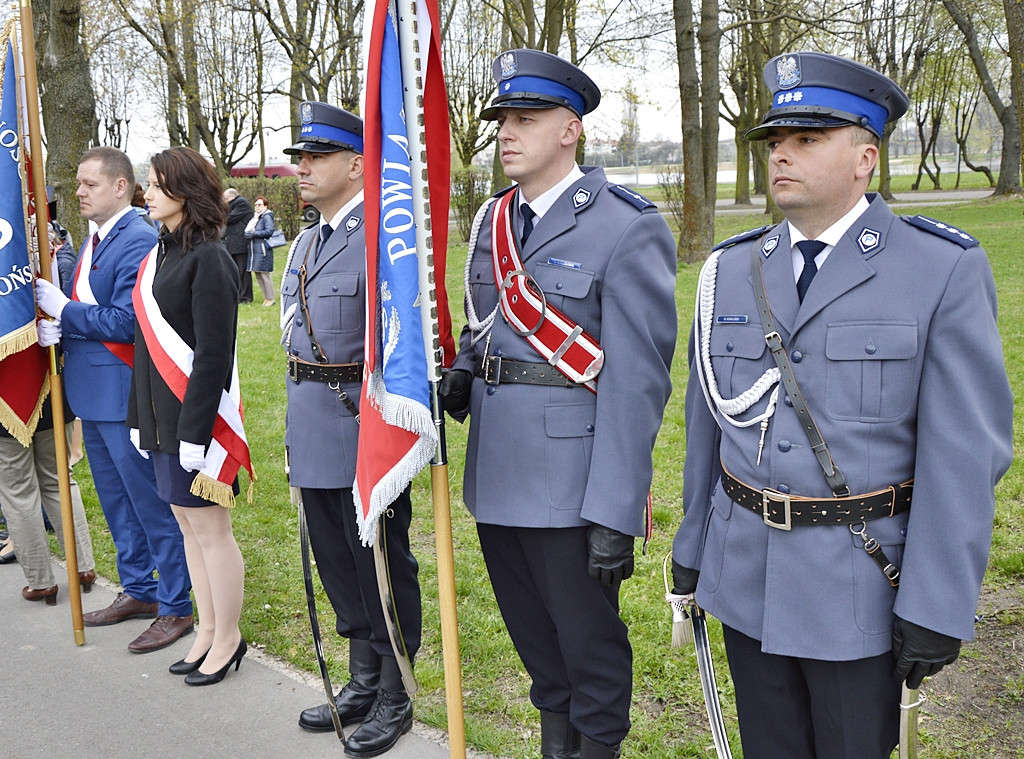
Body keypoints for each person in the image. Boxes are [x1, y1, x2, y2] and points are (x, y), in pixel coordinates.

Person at [670, 52, 1014, 759]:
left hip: (856, 589)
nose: (782, 155)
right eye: (775, 142)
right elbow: (709, 425)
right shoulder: (731, 271)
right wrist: (692, 552)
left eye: (807, 139)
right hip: (746, 576)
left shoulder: (939, 270)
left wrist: (936, 601)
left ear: (866, 156)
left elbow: (963, 455)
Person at [438, 50, 677, 759]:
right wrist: (459, 371)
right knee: (542, 657)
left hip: (572, 485)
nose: (507, 132)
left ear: (570, 128)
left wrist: (614, 507)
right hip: (499, 474)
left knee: (590, 656)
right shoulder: (492, 220)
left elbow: (637, 385)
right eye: (503, 119)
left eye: (526, 118)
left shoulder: (625, 225)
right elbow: (483, 323)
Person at [281, 101, 421, 757]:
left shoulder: (384, 241)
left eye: (315, 156)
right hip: (312, 422)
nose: (301, 168)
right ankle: (363, 676)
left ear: (356, 164)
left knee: (380, 565)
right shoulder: (308, 240)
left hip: (362, 427)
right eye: (299, 158)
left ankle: (396, 689)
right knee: (337, 561)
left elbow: (400, 344)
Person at [33, 146, 194, 654]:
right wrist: (58, 325)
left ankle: (175, 604)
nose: (78, 192)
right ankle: (140, 590)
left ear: (121, 186)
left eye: (89, 184)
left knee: (150, 502)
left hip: (124, 390)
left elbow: (130, 322)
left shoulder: (137, 239)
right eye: (79, 184)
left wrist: (68, 311)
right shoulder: (96, 239)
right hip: (91, 392)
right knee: (117, 504)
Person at [127, 145, 247, 685]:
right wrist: (138, 418)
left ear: (183, 190)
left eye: (154, 183)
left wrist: (197, 435)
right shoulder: (161, 254)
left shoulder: (210, 257)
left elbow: (214, 354)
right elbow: (144, 345)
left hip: (195, 426)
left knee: (211, 531)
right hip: (160, 422)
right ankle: (205, 630)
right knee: (187, 528)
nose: (145, 193)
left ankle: (228, 638)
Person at [0, 393, 96, 605]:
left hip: (6, 403)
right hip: (51, 397)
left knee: (19, 494)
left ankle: (41, 583)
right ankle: (84, 569)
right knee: (59, 482)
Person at [244, 195, 276, 306]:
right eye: (256, 205)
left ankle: (271, 298)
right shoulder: (256, 217)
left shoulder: (266, 216)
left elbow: (269, 231)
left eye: (259, 205)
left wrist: (253, 234)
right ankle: (266, 298)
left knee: (264, 273)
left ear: (265, 206)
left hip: (263, 249)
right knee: (258, 273)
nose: (257, 207)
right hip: (255, 249)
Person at [223, 188, 254, 303]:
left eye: (226, 199)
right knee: (235, 270)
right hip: (234, 243)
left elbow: (228, 218)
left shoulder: (241, 203)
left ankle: (246, 296)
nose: (225, 202)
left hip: (240, 243)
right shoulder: (235, 204)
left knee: (243, 271)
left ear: (232, 197)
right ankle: (239, 295)